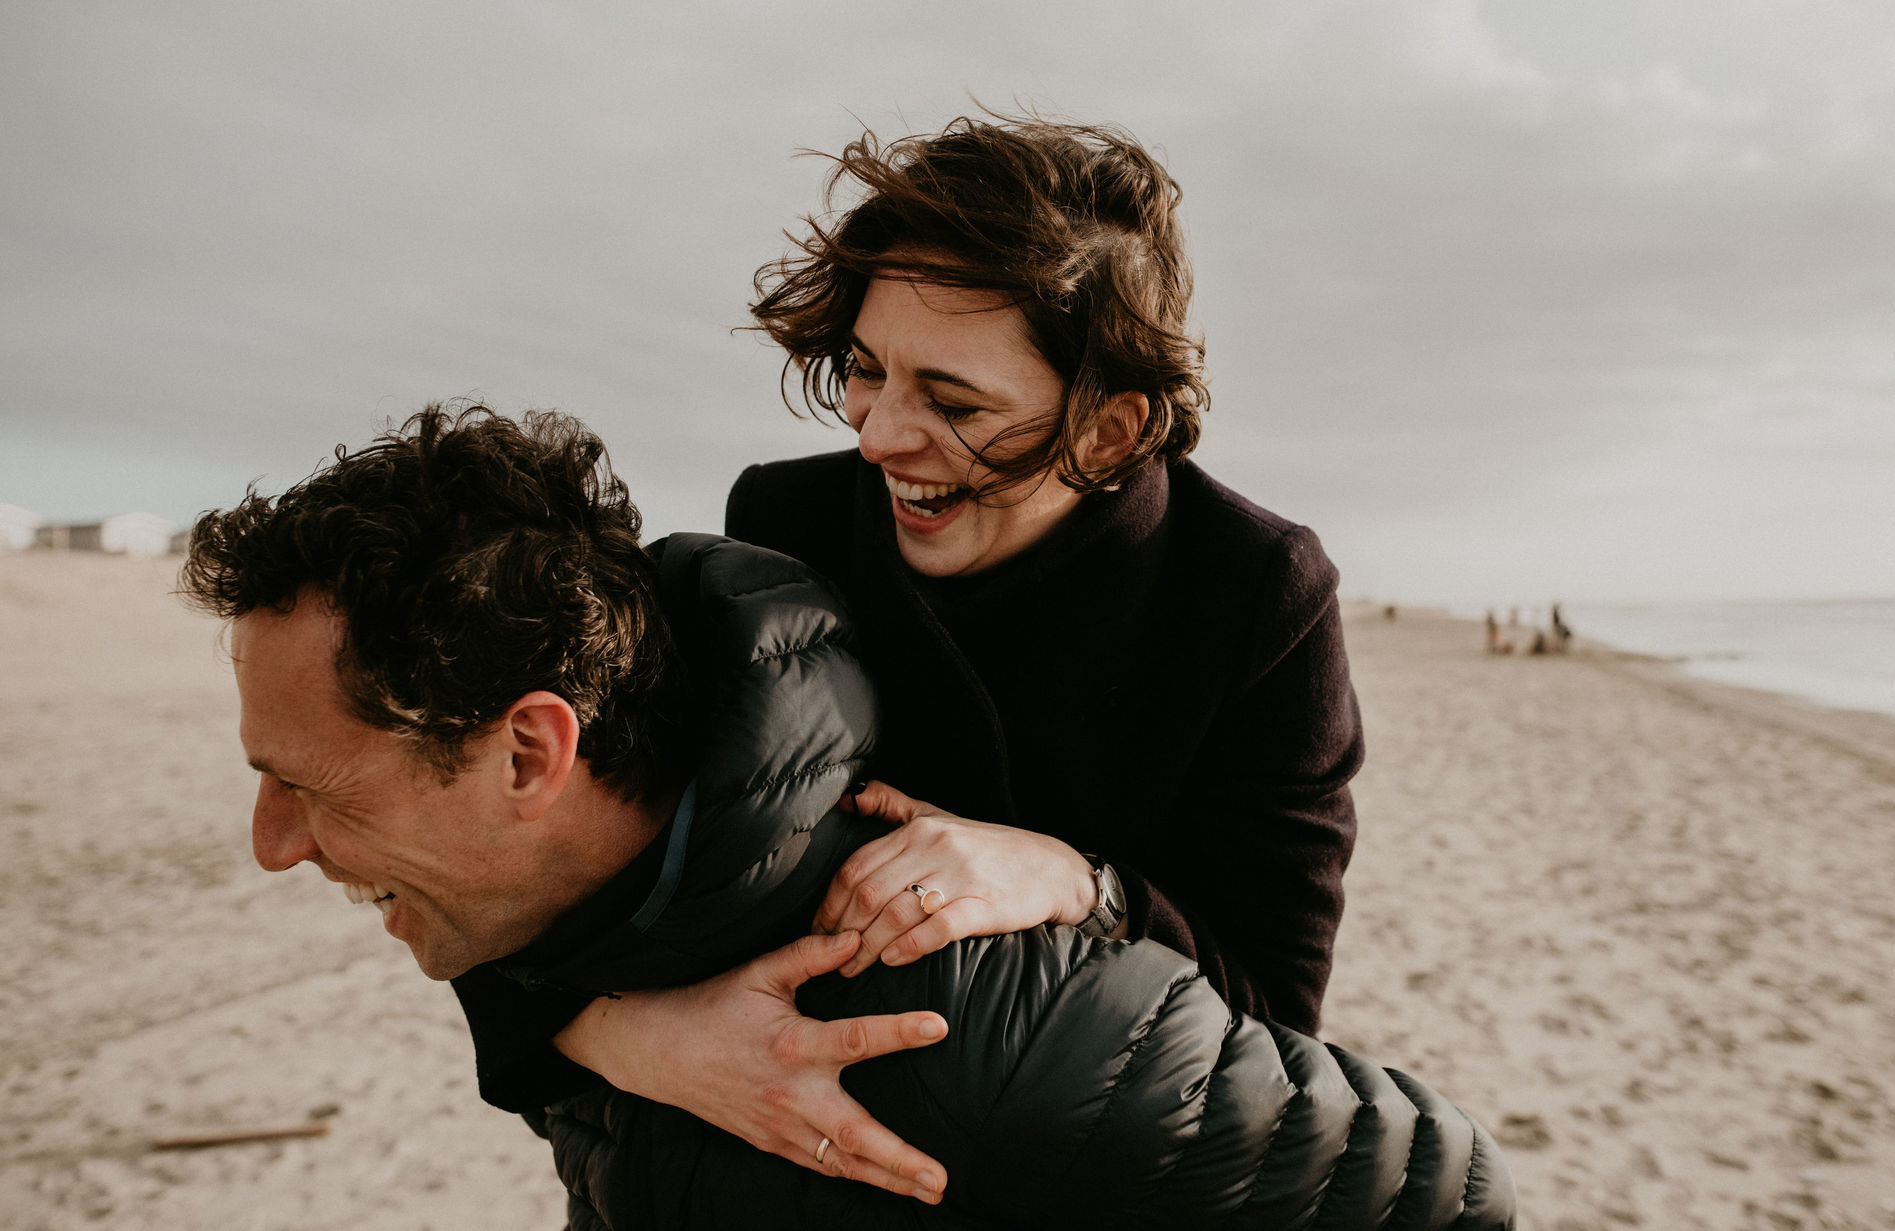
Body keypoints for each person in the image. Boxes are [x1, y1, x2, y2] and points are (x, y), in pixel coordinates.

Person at [183, 404, 1515, 1229]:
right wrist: (603, 1029)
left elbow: (1444, 1189)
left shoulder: (960, 1013)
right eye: (859, 376)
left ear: (534, 750)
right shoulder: (553, 920)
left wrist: (1083, 877)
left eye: (305, 786)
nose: (272, 840)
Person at [473, 114, 1368, 1197]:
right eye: (863, 370)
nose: (880, 436)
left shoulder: (1253, 594)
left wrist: (1080, 883)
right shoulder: (779, 523)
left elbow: (1269, 1030)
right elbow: (517, 871)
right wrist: (634, 1040)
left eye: (952, 402)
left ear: (1109, 431)